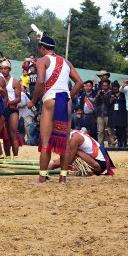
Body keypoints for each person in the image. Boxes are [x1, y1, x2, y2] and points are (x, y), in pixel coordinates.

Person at [27, 35, 83, 183]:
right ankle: (63, 177)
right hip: (65, 102)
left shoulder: (42, 60)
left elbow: (40, 81)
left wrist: (33, 101)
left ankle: (42, 177)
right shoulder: (66, 62)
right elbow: (79, 83)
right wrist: (68, 97)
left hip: (50, 100)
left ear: (42, 48)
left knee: (46, 142)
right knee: (64, 142)